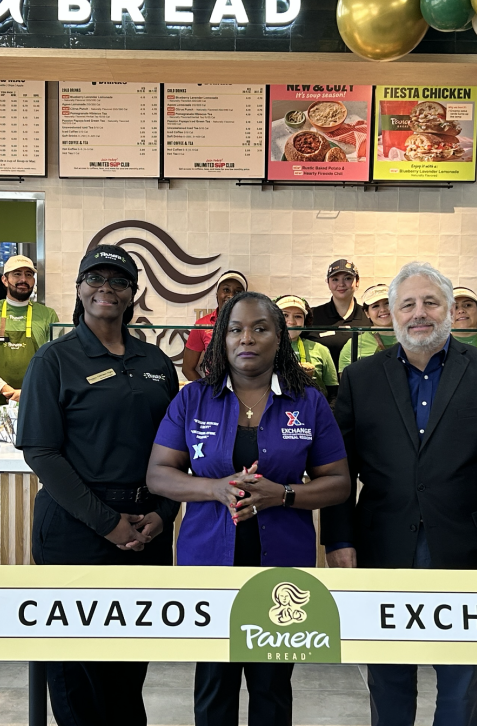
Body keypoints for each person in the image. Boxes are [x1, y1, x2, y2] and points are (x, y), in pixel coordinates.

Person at [321, 261, 477, 726]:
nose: (420, 313)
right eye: (408, 304)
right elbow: (341, 469)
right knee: (389, 672)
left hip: (465, 545)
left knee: (460, 677)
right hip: (381, 543)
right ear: (393, 315)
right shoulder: (361, 378)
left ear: (450, 310)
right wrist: (338, 539)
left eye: (430, 302)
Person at [149, 290, 350, 726]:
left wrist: (284, 495)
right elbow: (159, 475)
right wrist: (216, 488)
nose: (247, 338)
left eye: (260, 328)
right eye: (236, 329)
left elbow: (338, 483)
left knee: (272, 688)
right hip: (208, 564)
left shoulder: (308, 402)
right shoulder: (192, 399)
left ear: (279, 338)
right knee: (213, 686)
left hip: (281, 573)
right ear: (221, 339)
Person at [16, 245, 179, 726]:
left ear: (133, 294)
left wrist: (163, 514)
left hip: (146, 529)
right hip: (76, 530)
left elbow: (174, 447)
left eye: (119, 280)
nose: (106, 287)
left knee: (130, 667)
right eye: (95, 277)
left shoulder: (155, 361)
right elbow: (41, 452)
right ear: (79, 288)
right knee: (80, 671)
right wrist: (107, 523)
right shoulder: (54, 360)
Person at [0, 255, 57, 406]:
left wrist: (27, 391)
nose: (23, 280)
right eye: (17, 274)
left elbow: (55, 362)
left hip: (38, 399)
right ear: (5, 280)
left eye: (29, 274)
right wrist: (5, 389)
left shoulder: (48, 315)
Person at [181, 270, 248, 382]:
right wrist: (206, 391)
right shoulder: (202, 325)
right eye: (226, 290)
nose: (231, 296)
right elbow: (187, 368)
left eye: (238, 292)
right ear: (217, 294)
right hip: (217, 392)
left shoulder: (251, 324)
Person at [308, 258, 371, 366]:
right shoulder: (312, 315)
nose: (341, 284)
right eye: (335, 279)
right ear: (328, 283)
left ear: (357, 282)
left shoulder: (369, 316)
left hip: (361, 381)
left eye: (347, 278)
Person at [277, 295, 338, 399]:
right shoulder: (264, 349)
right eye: (285, 315)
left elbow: (333, 393)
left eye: (298, 316)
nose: (291, 321)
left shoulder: (320, 350)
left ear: (305, 322)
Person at [338, 283, 395, 371]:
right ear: (367, 313)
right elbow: (347, 382)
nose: (383, 310)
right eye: (375, 306)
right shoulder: (353, 345)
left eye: (387, 303)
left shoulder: (412, 339)